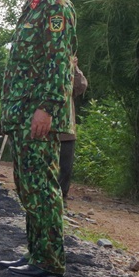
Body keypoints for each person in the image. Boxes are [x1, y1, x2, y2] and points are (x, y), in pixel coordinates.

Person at [0, 0, 77, 277]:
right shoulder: (32, 7)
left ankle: (49, 260)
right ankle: (36, 253)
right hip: (22, 114)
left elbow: (61, 64)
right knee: (28, 186)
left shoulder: (56, 6)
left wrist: (46, 109)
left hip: (38, 116)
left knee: (42, 186)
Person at [58, 59, 88, 200]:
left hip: (67, 129)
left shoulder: (70, 73)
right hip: (46, 130)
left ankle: (62, 196)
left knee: (65, 167)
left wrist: (75, 68)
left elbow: (81, 85)